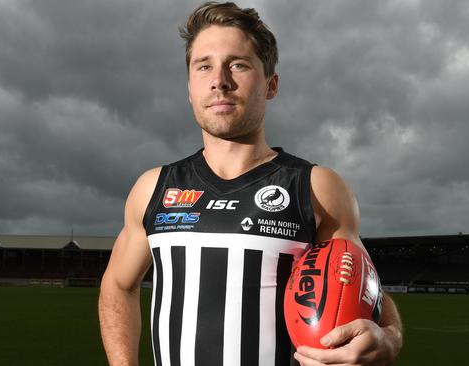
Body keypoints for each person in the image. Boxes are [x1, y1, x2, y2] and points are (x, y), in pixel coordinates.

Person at [98, 2, 403, 366]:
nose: (219, 80)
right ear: (190, 87)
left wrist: (389, 338)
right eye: (204, 65)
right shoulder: (154, 188)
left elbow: (362, 291)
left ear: (271, 85)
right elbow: (118, 284)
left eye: (238, 64)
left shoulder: (316, 188)